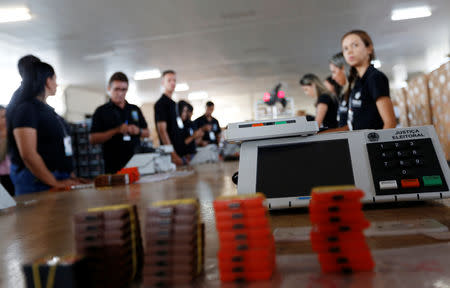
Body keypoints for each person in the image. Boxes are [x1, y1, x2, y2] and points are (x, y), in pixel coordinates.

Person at [7, 60, 80, 195]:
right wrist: (54, 182)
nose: (57, 84)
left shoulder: (46, 110)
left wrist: (68, 173)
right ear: (47, 81)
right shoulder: (26, 108)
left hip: (58, 178)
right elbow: (28, 154)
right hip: (40, 182)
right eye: (55, 79)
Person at [331, 30, 396, 131]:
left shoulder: (375, 77)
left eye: (355, 45)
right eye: (345, 48)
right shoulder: (357, 83)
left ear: (369, 48)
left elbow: (390, 123)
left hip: (373, 143)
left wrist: (379, 145)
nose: (349, 51)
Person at [90, 72, 150, 173]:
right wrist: (116, 130)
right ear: (109, 88)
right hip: (113, 166)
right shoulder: (101, 111)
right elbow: (93, 139)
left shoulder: (134, 109)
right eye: (117, 89)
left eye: (124, 90)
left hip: (137, 164)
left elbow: (147, 132)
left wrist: (137, 131)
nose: (120, 93)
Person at [154, 70, 186, 166]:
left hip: (179, 152)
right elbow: (162, 131)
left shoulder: (174, 104)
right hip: (170, 156)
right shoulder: (161, 104)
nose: (173, 83)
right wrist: (173, 154)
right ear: (163, 83)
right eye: (169, 80)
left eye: (174, 80)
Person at [329, 52, 351, 128]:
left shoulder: (355, 91)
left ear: (343, 69)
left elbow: (353, 127)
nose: (332, 77)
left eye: (334, 72)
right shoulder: (343, 94)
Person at [0, 106, 14, 196]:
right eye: (2, 117)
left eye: (6, 116)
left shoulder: (14, 131)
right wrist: (4, 137)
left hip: (15, 174)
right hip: (3, 177)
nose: (6, 119)